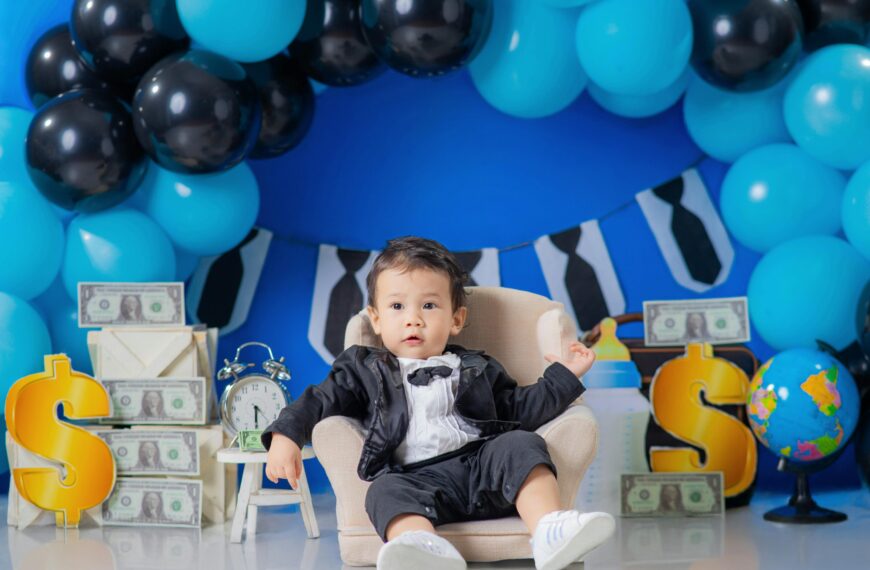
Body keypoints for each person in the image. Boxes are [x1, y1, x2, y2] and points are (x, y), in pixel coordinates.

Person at [263, 236, 614, 570]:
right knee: (383, 492)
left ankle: (549, 530)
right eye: (397, 306)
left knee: (521, 444)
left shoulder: (478, 367)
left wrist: (566, 375)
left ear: (456, 319)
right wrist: (287, 435)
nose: (413, 318)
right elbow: (320, 399)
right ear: (377, 318)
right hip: (413, 479)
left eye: (429, 305)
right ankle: (422, 547)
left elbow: (520, 408)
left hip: (482, 468)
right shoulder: (363, 368)